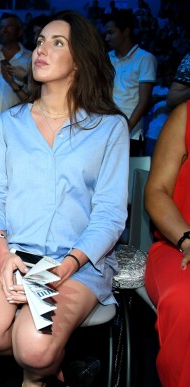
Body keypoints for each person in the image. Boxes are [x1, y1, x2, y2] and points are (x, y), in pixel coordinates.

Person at [0, 11, 129, 387]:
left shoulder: (109, 127)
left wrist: (67, 266)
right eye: (39, 42)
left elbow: (111, 214)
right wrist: (2, 255)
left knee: (34, 346)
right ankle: (53, 361)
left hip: (75, 259)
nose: (41, 50)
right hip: (9, 247)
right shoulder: (10, 123)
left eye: (57, 43)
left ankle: (38, 369)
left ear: (80, 60)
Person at [144, 100, 190, 387]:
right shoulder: (186, 115)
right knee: (186, 301)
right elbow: (157, 191)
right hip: (178, 244)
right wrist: (187, 239)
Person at [105, 9, 157, 156]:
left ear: (126, 31)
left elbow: (144, 101)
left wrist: (125, 128)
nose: (107, 38)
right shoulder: (107, 58)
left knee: (124, 178)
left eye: (111, 32)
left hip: (130, 135)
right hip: (105, 129)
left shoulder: (145, 58)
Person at [0, 13, 32, 142]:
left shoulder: (31, 58)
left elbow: (35, 95)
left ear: (19, 31)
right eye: (2, 27)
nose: (4, 30)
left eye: (9, 26)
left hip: (17, 128)